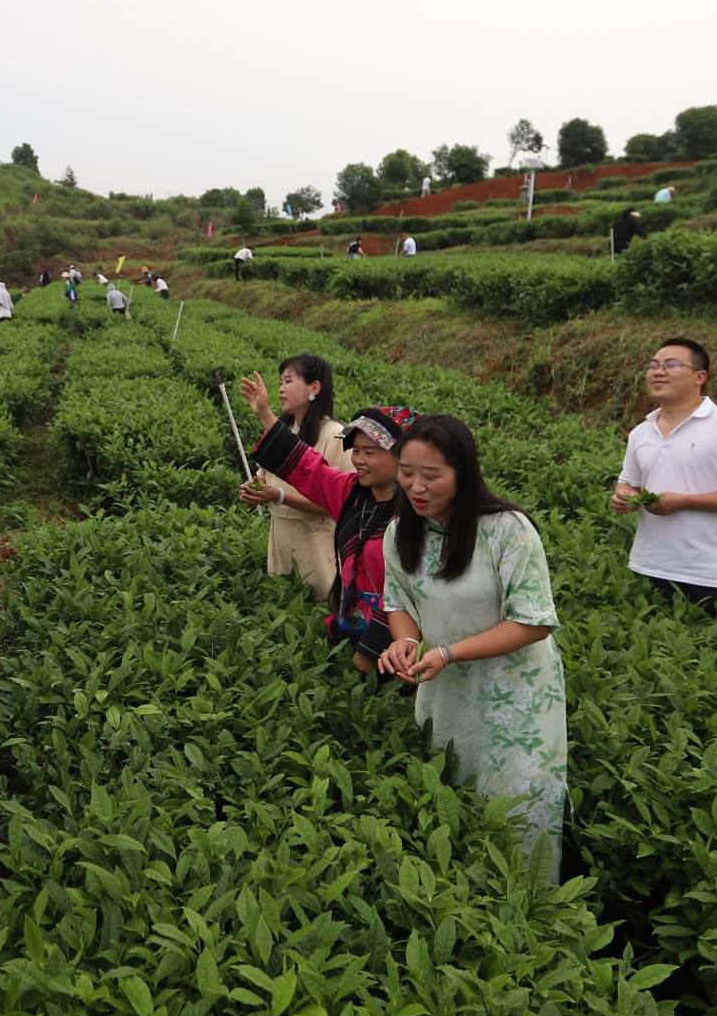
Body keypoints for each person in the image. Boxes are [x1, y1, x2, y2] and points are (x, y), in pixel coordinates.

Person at [376, 414, 565, 877]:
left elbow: (533, 621)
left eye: (432, 475)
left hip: (515, 692)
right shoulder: (401, 533)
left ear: (463, 473)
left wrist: (448, 653)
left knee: (519, 802)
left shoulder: (507, 530)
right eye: (406, 472)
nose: (415, 486)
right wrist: (405, 641)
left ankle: (533, 911)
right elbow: (399, 601)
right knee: (453, 795)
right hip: (445, 686)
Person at [243, 384, 415, 672]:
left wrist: (371, 650)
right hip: (348, 625)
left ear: (401, 457)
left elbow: (410, 591)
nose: (358, 460)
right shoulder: (351, 492)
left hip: (395, 640)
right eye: (355, 450)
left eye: (370, 452)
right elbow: (307, 466)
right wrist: (265, 414)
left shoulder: (415, 514)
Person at [612, 338, 717, 609]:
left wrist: (685, 501)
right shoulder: (641, 432)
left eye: (671, 364)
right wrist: (625, 496)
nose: (658, 371)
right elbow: (628, 482)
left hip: (705, 575)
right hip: (646, 564)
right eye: (653, 365)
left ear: (700, 377)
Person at [235, 356, 348, 601]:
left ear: (314, 388)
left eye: (288, 380)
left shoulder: (335, 435)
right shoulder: (284, 432)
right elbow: (264, 477)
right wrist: (256, 490)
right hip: (283, 540)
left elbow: (341, 501)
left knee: (320, 609)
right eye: (280, 382)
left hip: (318, 547)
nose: (280, 388)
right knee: (285, 604)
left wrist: (279, 496)